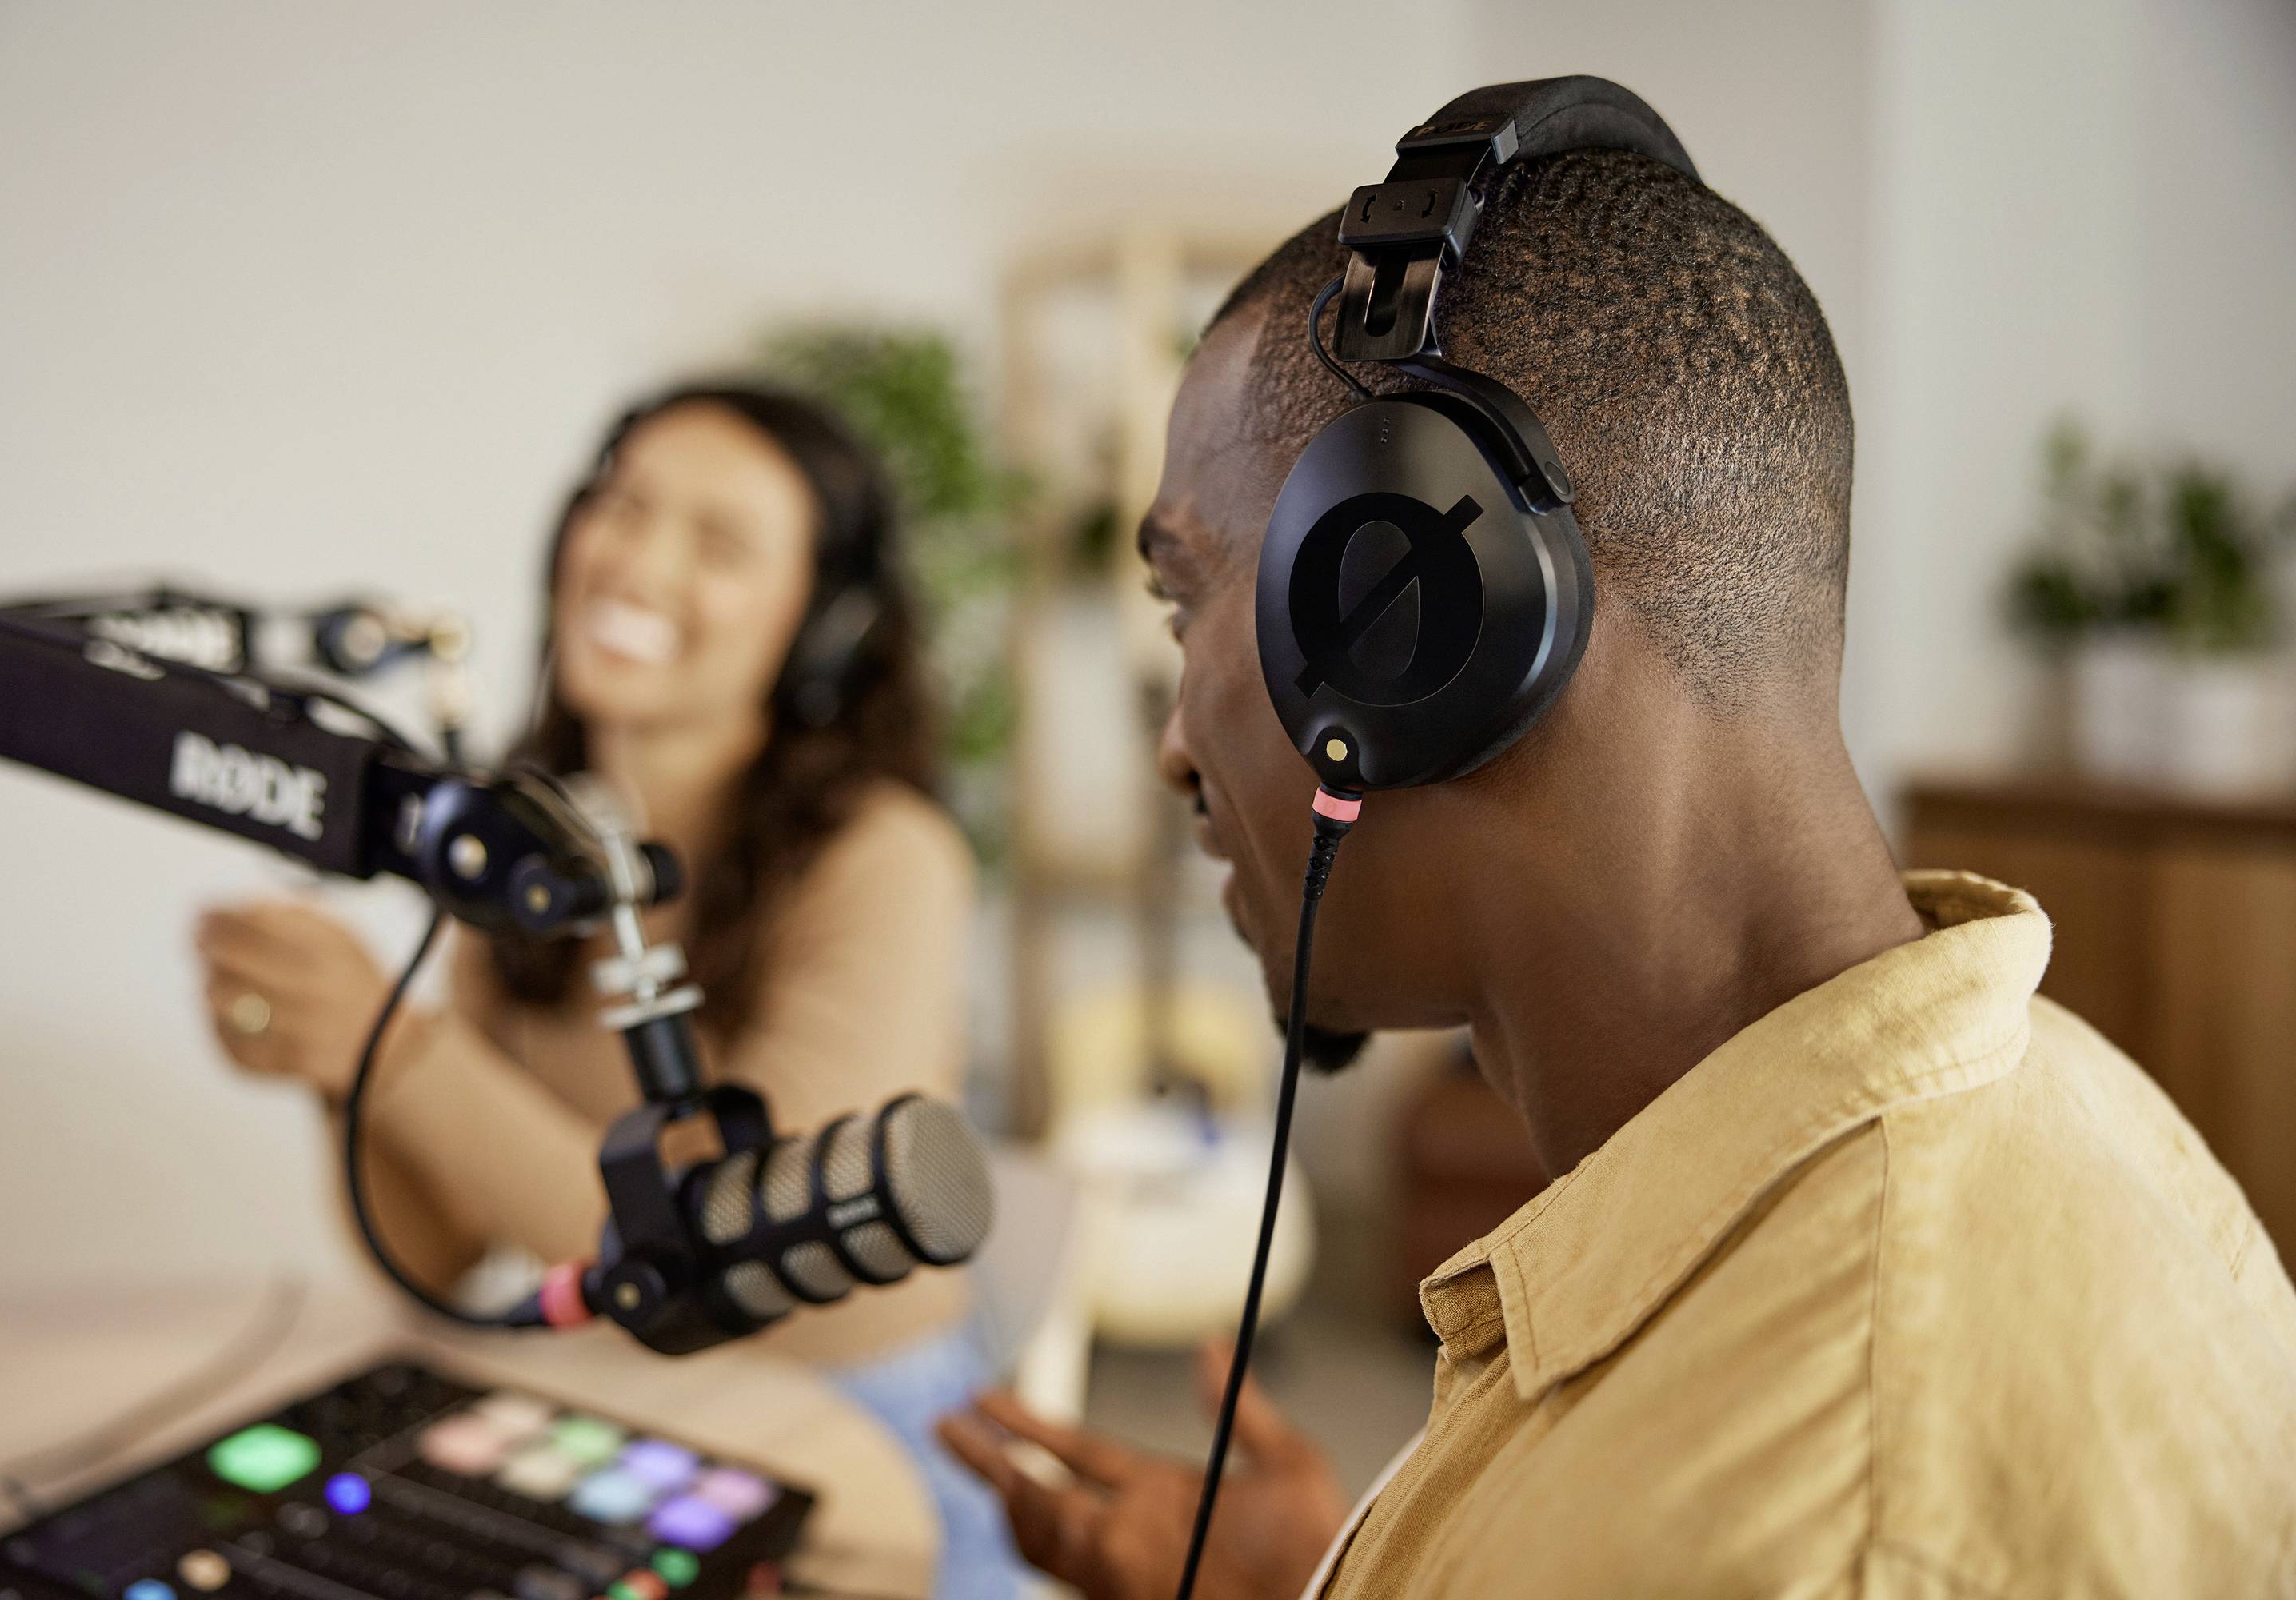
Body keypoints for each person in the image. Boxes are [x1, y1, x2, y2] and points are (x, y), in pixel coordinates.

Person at [937, 136, 2296, 1595]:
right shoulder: (2056, 1092)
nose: (1173, 747)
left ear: (1415, 618)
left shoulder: (1829, 1527)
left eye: (1189, 597)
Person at [195, 383, 1027, 1599]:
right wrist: (345, 1069)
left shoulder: (888, 857)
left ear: (824, 624)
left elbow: (741, 1263)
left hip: (865, 1454)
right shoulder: (525, 840)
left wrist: (399, 1048)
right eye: (622, 504)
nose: (636, 558)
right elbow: (432, 1248)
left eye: (719, 542)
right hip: (631, 1411)